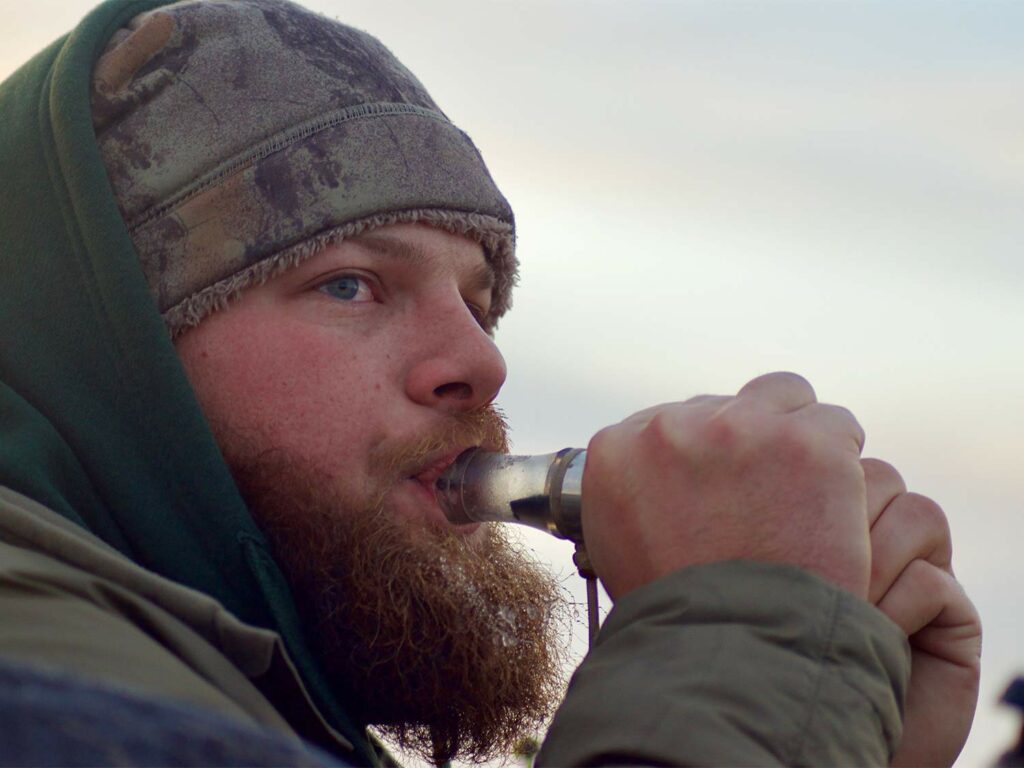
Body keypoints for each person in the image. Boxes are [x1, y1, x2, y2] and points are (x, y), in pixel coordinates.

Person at [0, 0, 981, 765]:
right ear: (104, 348)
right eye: (350, 284)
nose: (478, 361)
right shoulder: (36, 661)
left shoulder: (244, 686)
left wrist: (821, 717)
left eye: (479, 301)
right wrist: (749, 642)